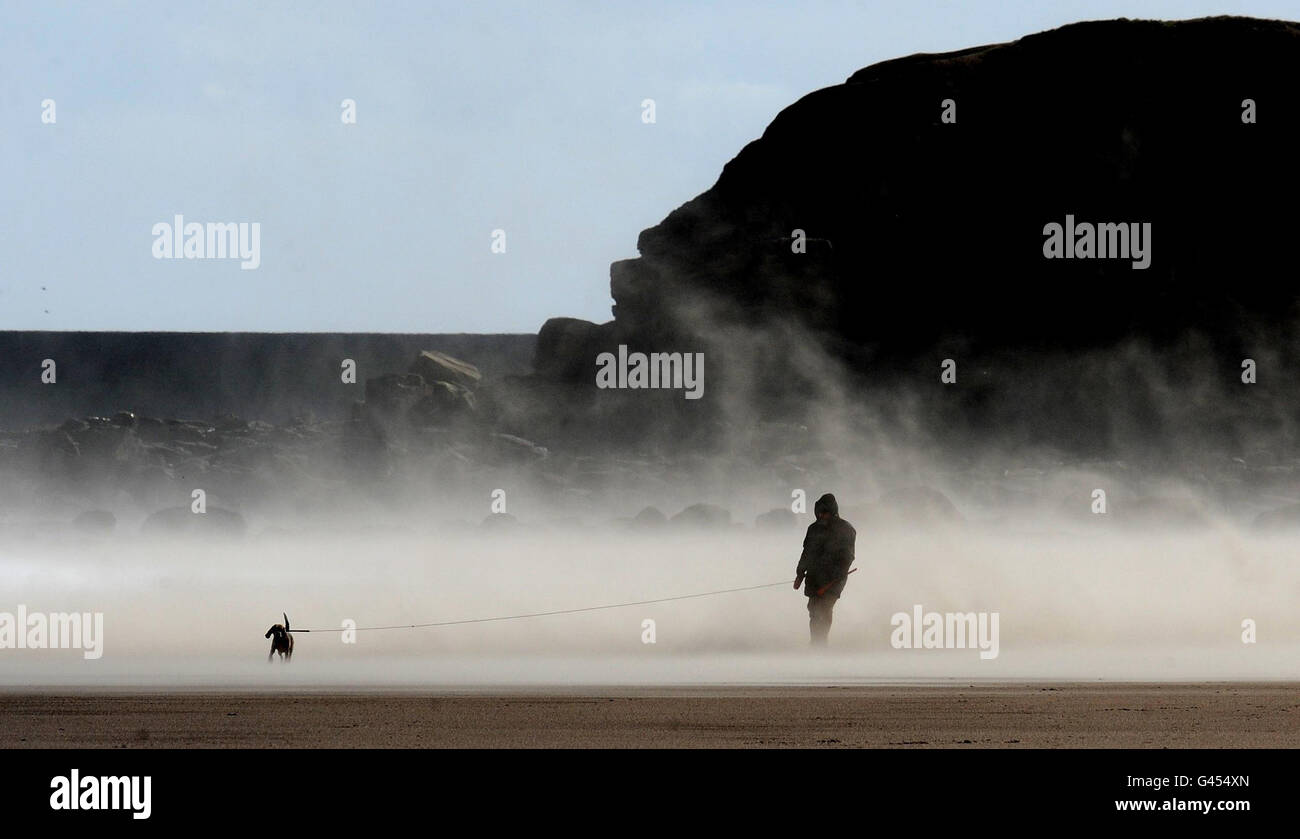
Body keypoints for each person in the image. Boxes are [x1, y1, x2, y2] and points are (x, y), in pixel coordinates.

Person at [793, 493, 856, 645]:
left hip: (834, 580)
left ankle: (820, 644)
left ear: (833, 512)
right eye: (820, 513)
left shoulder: (846, 529)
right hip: (814, 578)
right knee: (813, 609)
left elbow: (847, 558)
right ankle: (816, 642)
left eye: (825, 512)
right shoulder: (813, 529)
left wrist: (831, 582)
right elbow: (806, 553)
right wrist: (800, 574)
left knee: (824, 609)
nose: (822, 516)